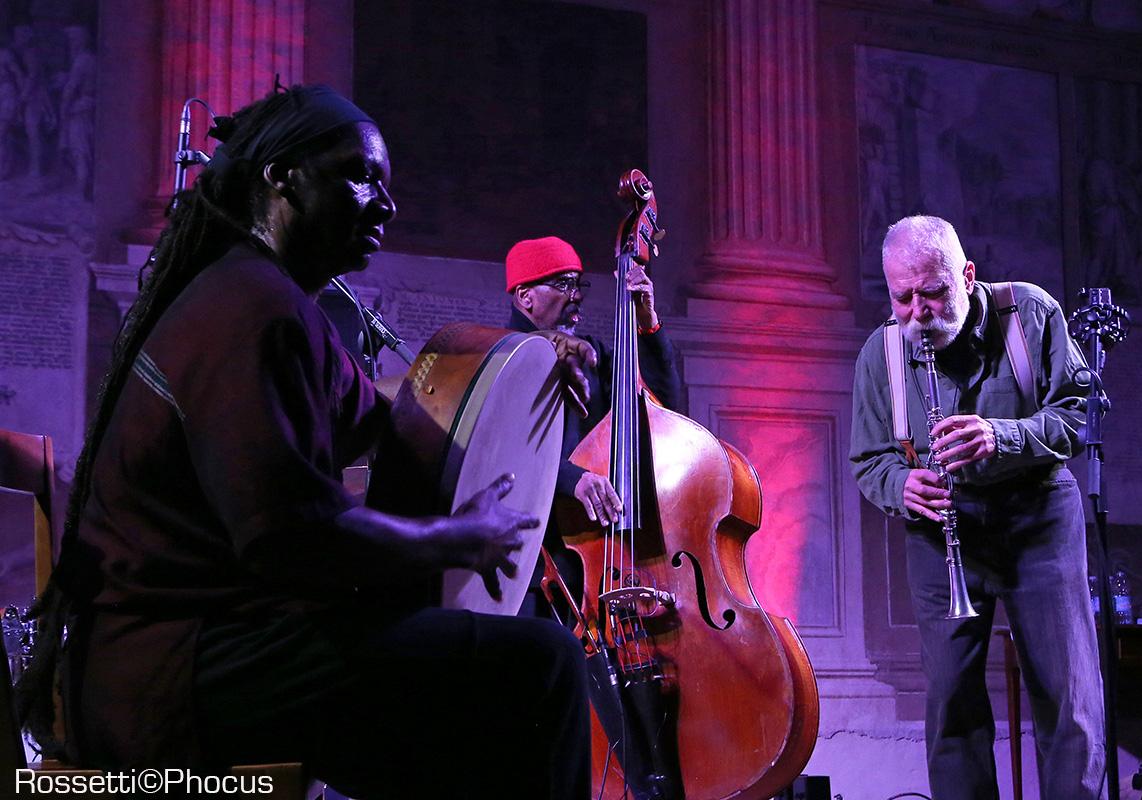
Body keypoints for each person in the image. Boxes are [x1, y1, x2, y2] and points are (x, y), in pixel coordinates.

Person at [20, 85, 590, 799]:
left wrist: (528, 371)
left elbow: (395, 413)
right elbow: (290, 537)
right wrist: (455, 539)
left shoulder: (269, 301)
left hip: (195, 659)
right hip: (179, 675)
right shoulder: (253, 308)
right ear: (282, 178)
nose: (385, 205)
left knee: (462, 695)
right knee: (541, 665)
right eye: (361, 177)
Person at [849, 216, 1105, 799]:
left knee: (1069, 699)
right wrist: (901, 487)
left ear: (966, 275)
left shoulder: (1030, 314)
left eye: (933, 292)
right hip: (942, 535)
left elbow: (1078, 415)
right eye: (902, 297)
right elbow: (869, 460)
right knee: (951, 703)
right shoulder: (880, 352)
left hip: (1037, 518)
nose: (918, 312)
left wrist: (1002, 436)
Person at [503, 235, 682, 613]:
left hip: (594, 559)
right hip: (533, 568)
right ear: (525, 297)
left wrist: (648, 325)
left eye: (578, 283)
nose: (577, 296)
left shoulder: (591, 355)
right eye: (563, 283)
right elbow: (502, 454)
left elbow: (664, 407)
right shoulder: (500, 357)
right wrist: (573, 480)